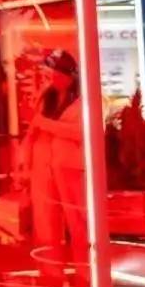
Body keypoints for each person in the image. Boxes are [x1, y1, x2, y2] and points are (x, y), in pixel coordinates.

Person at [24, 49, 88, 270]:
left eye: (59, 73)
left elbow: (79, 132)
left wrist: (44, 123)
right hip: (43, 166)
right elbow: (33, 130)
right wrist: (25, 162)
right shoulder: (47, 96)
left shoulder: (82, 100)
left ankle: (84, 271)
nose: (55, 77)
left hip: (69, 167)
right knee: (45, 222)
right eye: (53, 72)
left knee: (77, 220)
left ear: (71, 75)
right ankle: (50, 272)